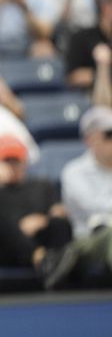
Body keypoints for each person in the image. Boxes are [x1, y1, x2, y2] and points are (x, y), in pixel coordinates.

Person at [0, 134, 72, 286]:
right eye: (6, 161)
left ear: (24, 162)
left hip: (38, 240)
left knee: (59, 224)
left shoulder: (42, 185)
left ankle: (57, 271)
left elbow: (59, 211)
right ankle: (37, 257)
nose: (11, 166)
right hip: (1, 249)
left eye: (15, 161)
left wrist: (43, 221)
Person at [47, 105, 112, 289]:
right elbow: (92, 207)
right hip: (87, 241)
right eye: (109, 135)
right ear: (90, 139)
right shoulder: (74, 172)